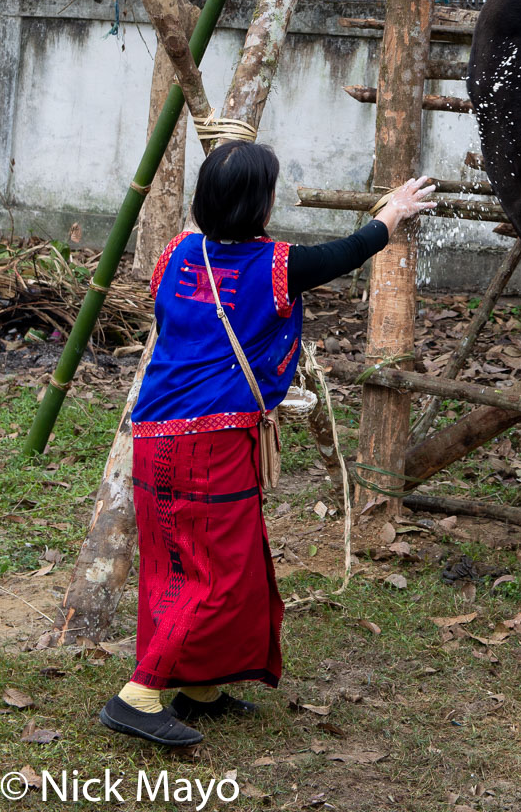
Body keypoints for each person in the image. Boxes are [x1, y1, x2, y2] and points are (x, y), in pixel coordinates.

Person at [100, 142, 436, 748]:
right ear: (261, 202)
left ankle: (202, 684)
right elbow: (348, 253)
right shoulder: (276, 266)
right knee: (209, 573)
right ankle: (139, 694)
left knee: (226, 563)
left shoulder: (175, 253)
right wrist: (392, 213)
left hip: (156, 438)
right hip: (209, 444)